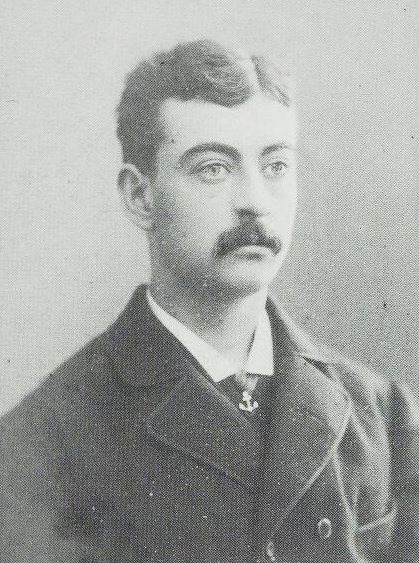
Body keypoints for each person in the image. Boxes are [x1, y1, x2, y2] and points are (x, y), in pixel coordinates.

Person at [0, 39, 418, 563]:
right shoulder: (42, 444)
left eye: (276, 166)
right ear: (140, 197)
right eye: (213, 168)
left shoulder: (384, 414)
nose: (255, 201)